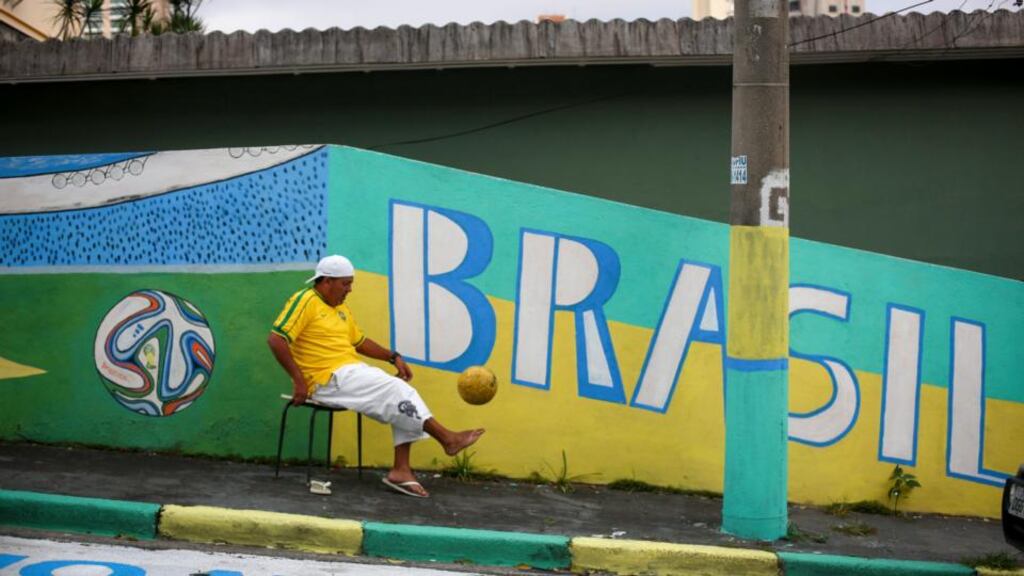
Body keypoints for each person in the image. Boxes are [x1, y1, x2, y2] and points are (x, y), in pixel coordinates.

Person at [267, 255, 484, 498]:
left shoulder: (340, 309)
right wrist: (298, 380)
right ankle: (446, 439)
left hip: (349, 372)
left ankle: (401, 470)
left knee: (399, 394)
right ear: (326, 281)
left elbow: (359, 342)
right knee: (395, 391)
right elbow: (276, 339)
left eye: (350, 283)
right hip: (325, 379)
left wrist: (393, 356)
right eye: (345, 284)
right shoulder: (305, 300)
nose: (349, 289)